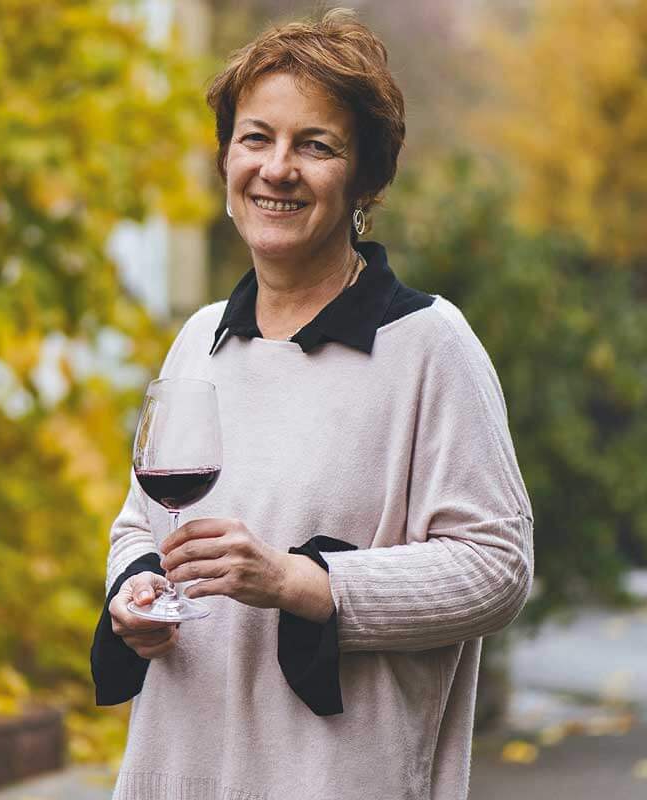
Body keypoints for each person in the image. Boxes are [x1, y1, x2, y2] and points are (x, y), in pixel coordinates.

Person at [91, 8, 533, 800]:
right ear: (226, 157)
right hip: (177, 775)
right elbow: (139, 524)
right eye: (255, 137)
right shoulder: (200, 340)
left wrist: (304, 583)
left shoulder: (430, 345)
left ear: (366, 180)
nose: (276, 168)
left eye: (315, 145)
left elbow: (497, 568)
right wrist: (135, 587)